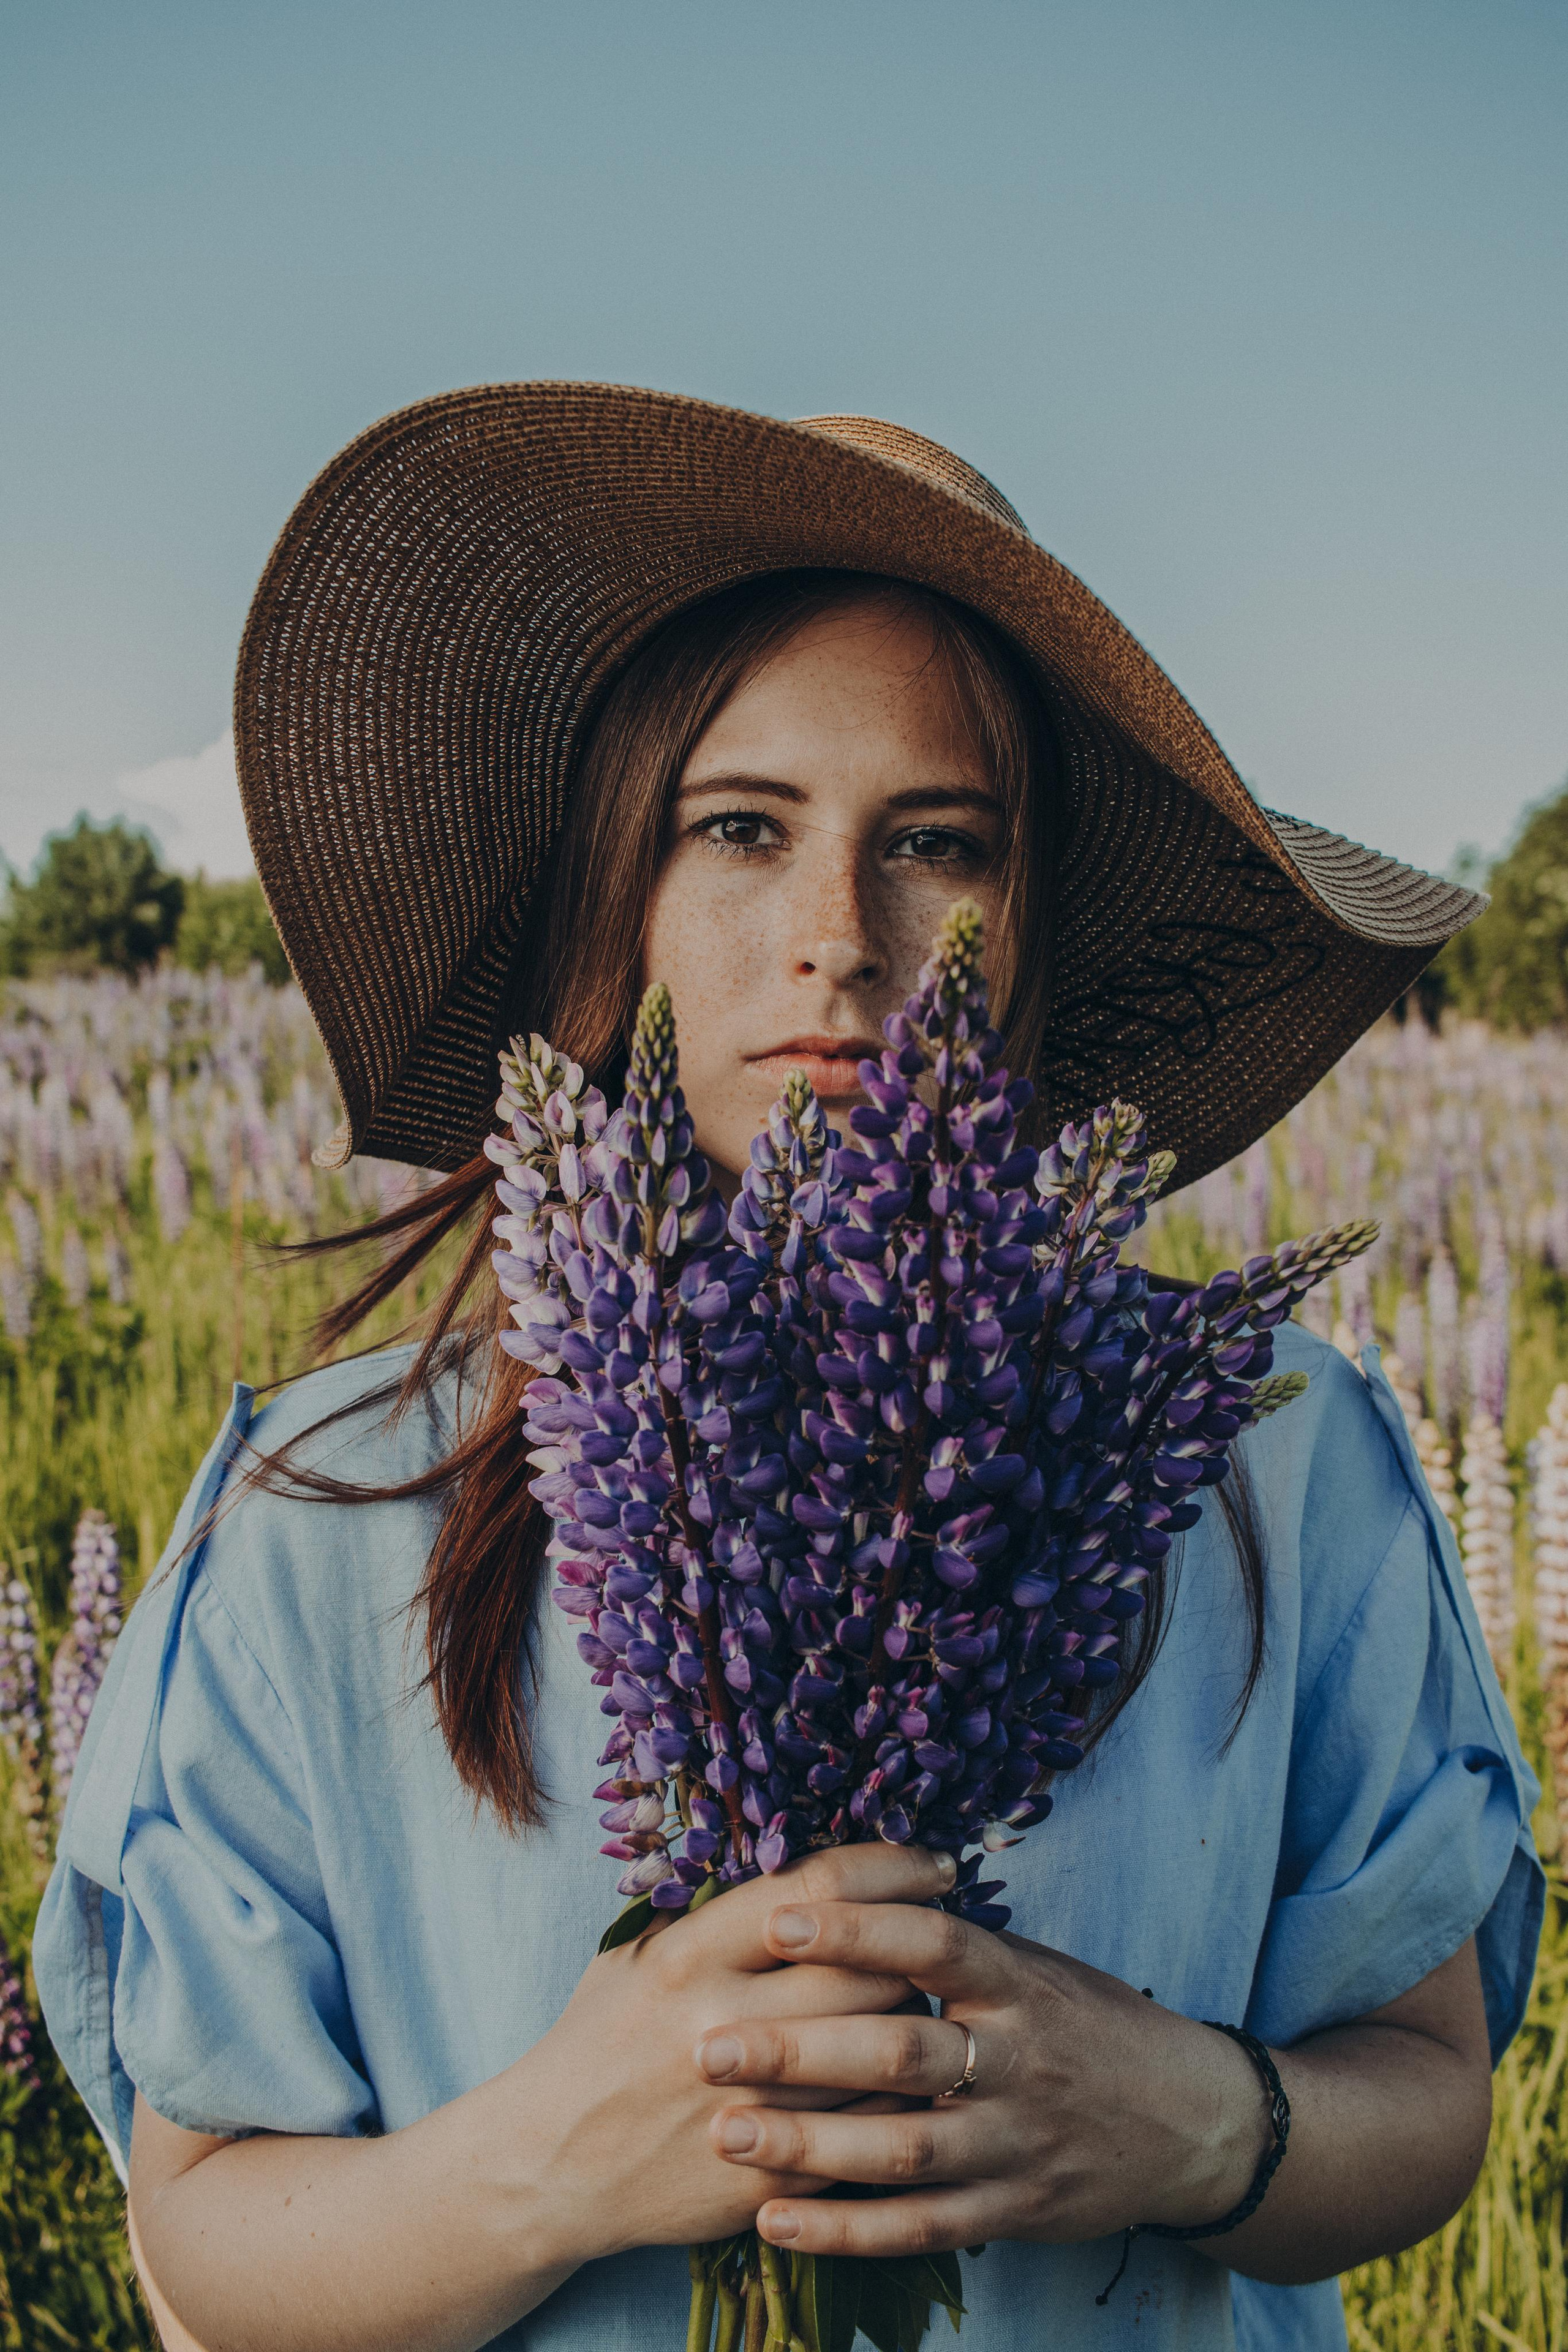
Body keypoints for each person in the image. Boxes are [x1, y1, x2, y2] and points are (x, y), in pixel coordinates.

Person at [34, 390, 1540, 2352]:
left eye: (939, 842)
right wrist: (565, 2154)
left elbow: (1427, 2095)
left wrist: (1190, 2124)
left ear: (1030, 935)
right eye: (738, 827)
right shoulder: (325, 1502)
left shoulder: (1273, 1443)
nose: (839, 940)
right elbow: (193, 2251)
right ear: (615, 891)